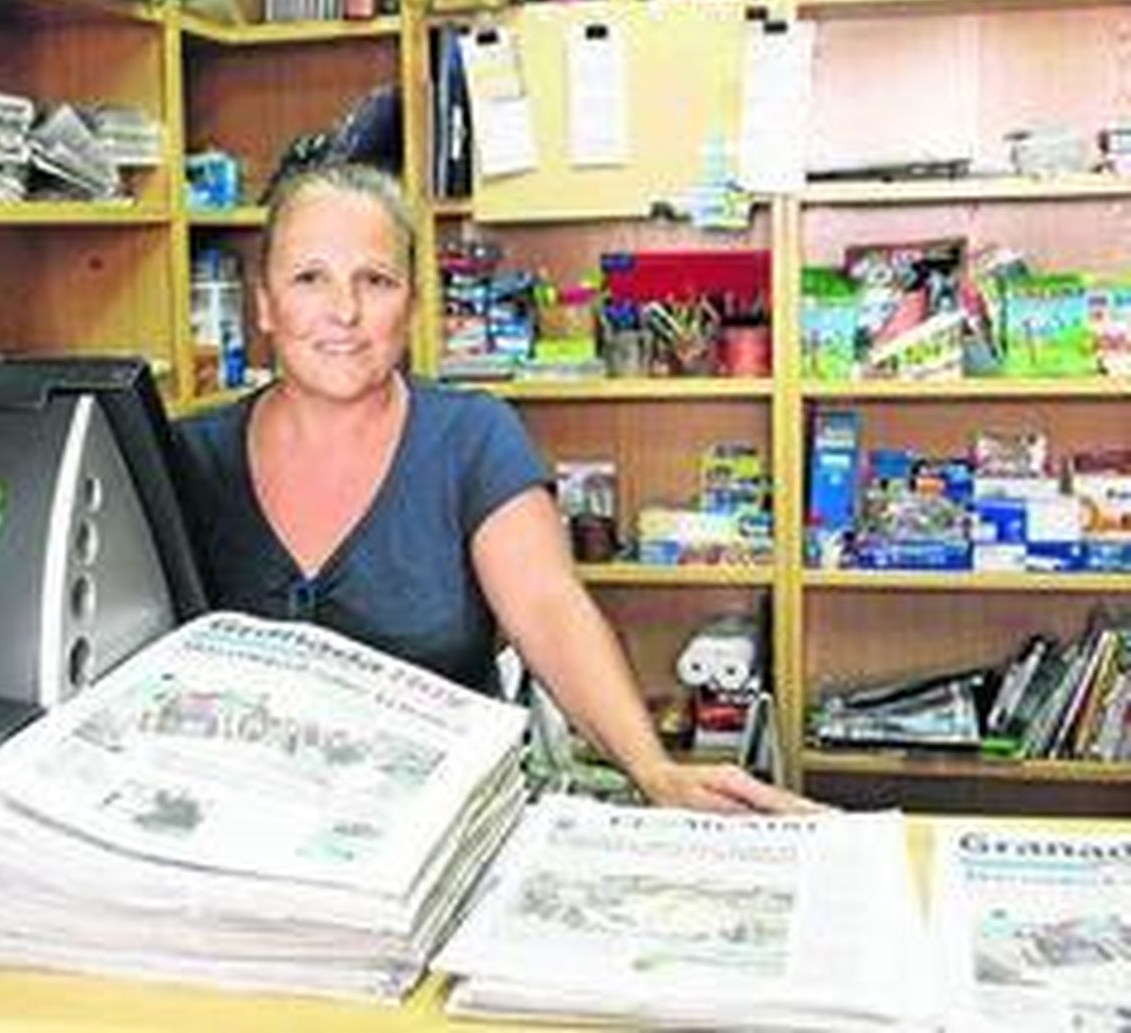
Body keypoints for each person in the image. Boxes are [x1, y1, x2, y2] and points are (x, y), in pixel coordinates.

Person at [173, 162, 812, 814]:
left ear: (413, 303)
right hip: (228, 837)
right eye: (310, 278)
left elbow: (548, 607)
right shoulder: (185, 458)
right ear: (264, 304)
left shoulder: (471, 436)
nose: (345, 311)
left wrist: (655, 772)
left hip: (434, 832)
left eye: (377, 280)